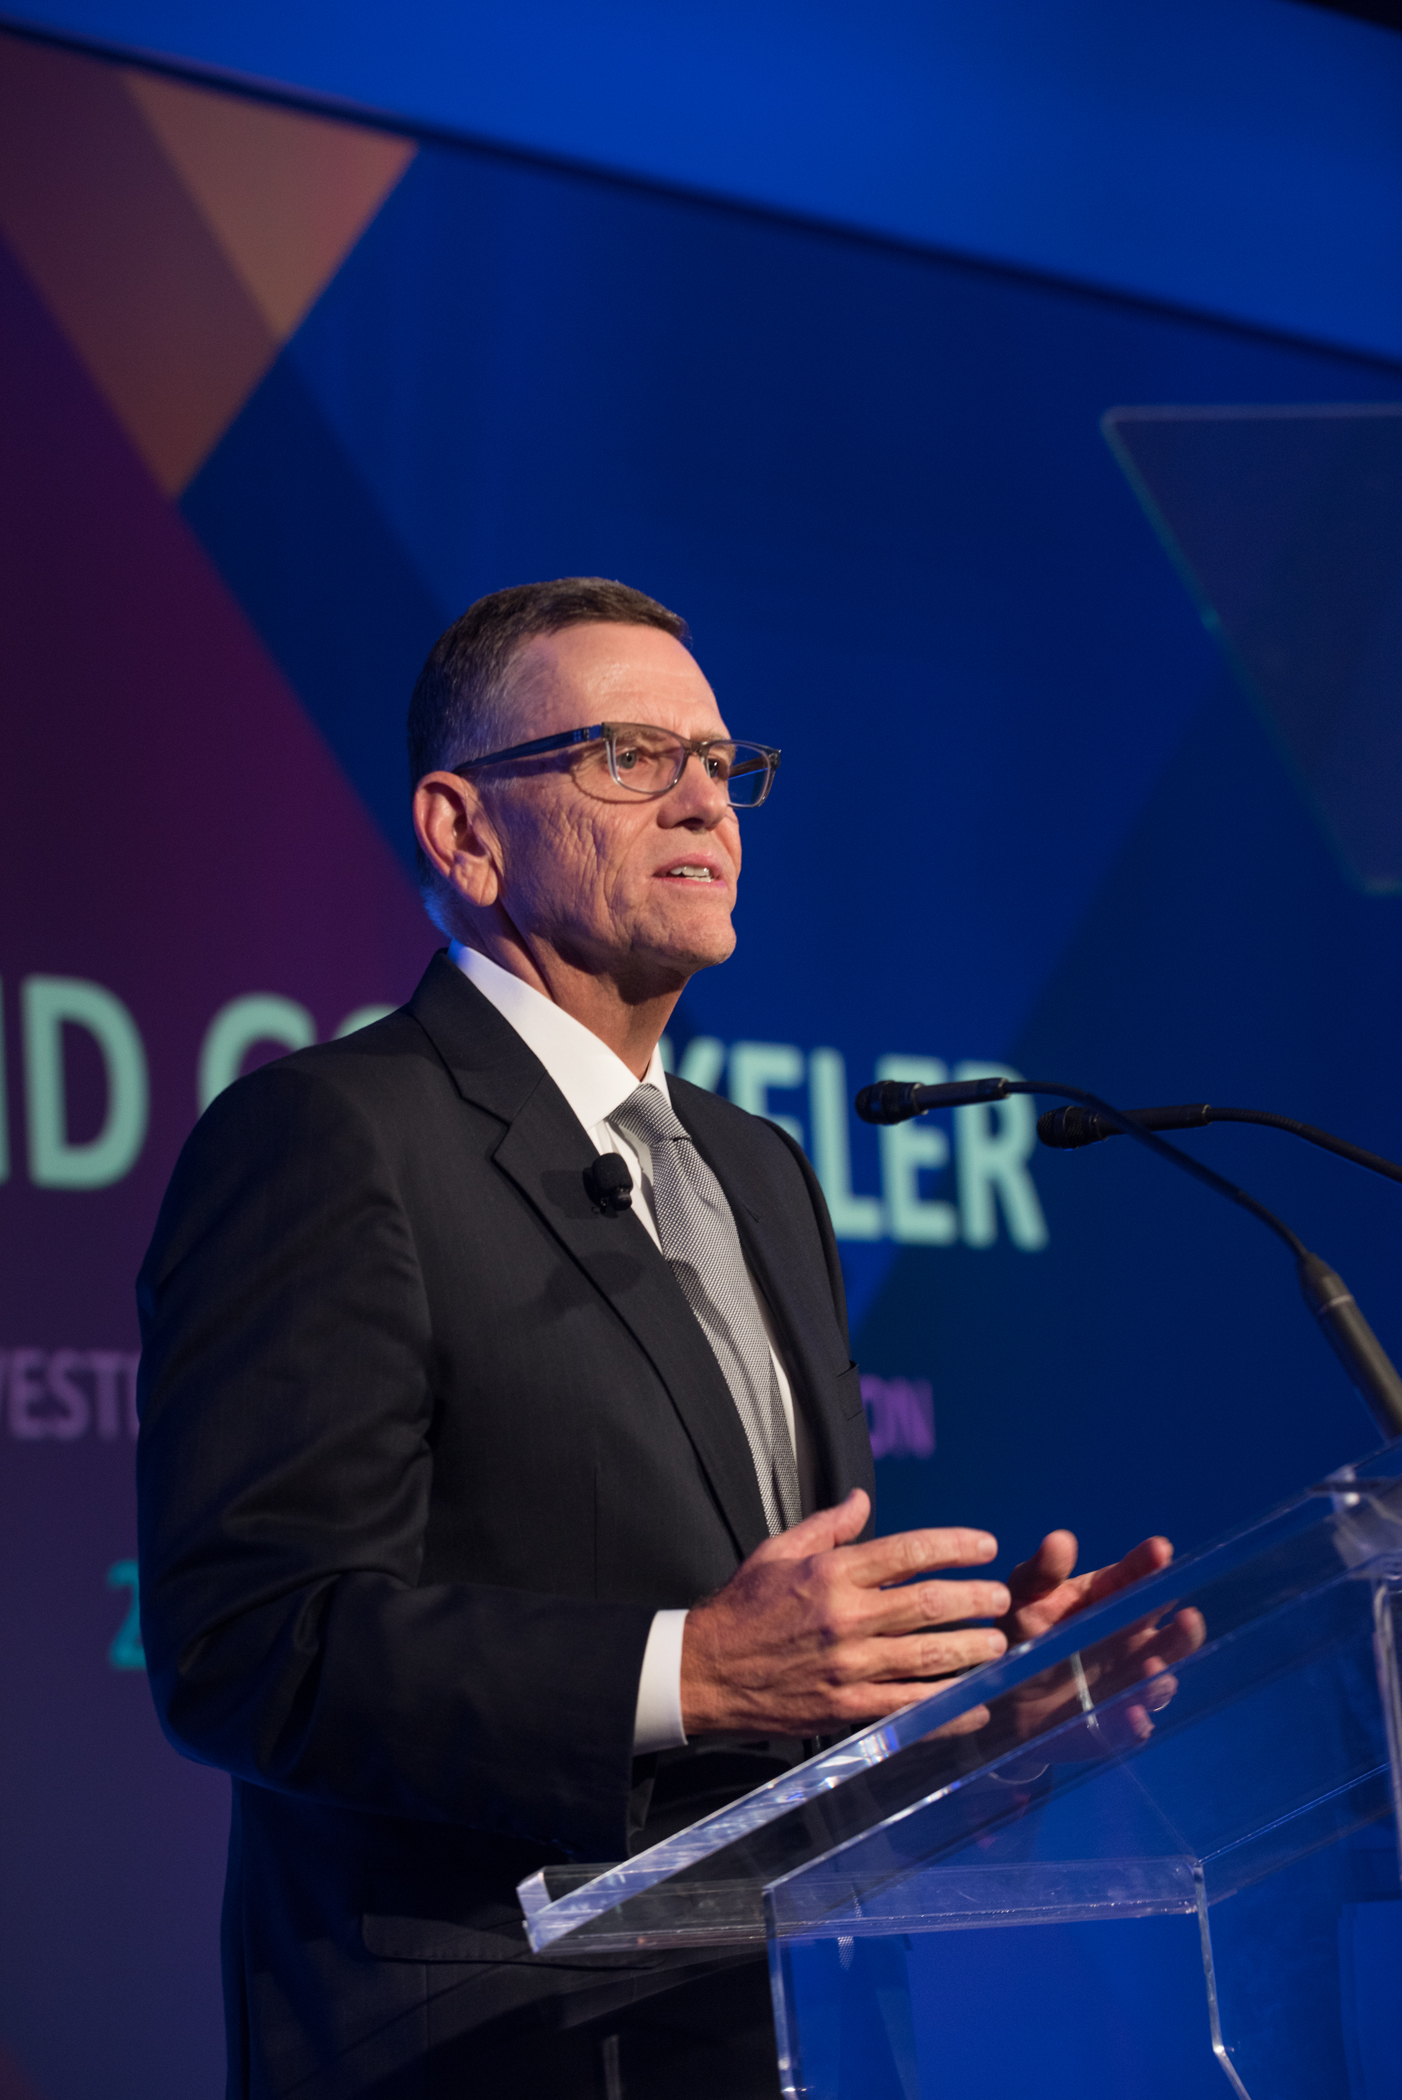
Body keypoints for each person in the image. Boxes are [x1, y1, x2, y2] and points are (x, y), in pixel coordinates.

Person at [137, 578, 1186, 2100]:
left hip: (787, 2037)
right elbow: (245, 1648)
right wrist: (689, 1670)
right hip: (484, 2056)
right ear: (462, 830)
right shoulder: (331, 1137)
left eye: (721, 761)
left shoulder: (757, 1169)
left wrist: (964, 1728)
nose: (703, 799)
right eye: (627, 756)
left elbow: (781, 1703)